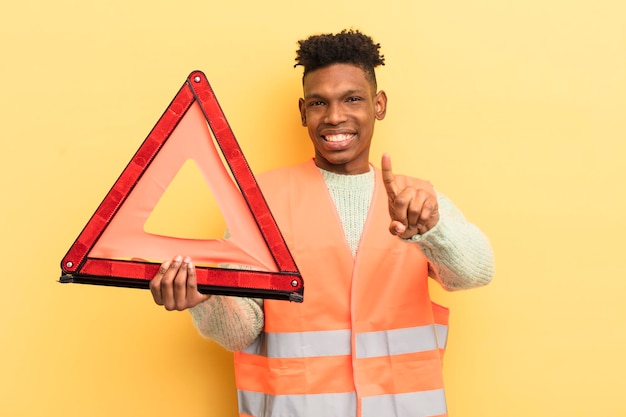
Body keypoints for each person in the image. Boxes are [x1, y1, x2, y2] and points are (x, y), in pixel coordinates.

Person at [150, 29, 494, 417]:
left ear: (378, 104)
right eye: (319, 103)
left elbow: (474, 273)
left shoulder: (417, 201)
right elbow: (242, 329)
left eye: (352, 99)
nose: (334, 117)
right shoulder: (264, 200)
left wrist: (433, 232)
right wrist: (205, 302)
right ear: (302, 112)